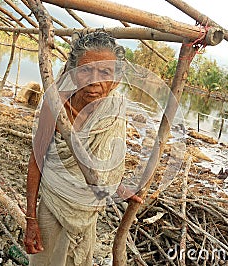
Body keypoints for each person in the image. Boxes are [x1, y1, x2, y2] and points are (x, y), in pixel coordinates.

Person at [24, 30, 141, 266]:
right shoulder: (55, 104)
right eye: (86, 70)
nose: (94, 80)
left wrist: (116, 186)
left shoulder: (113, 109)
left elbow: (103, 159)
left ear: (116, 78)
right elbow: (36, 160)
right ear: (73, 71)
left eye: (105, 71)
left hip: (87, 211)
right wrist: (31, 219)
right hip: (54, 204)